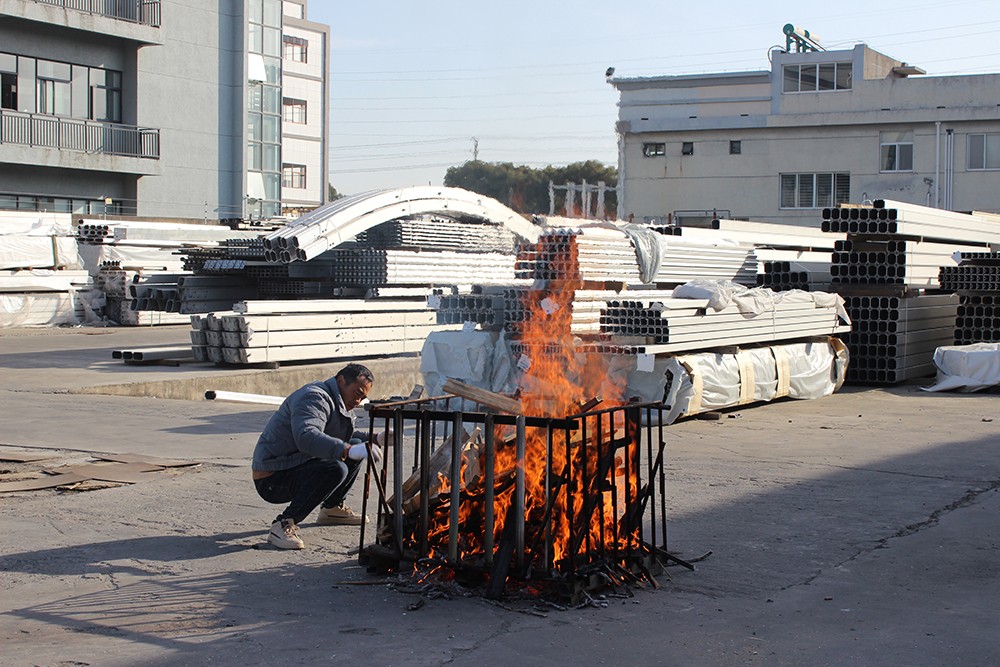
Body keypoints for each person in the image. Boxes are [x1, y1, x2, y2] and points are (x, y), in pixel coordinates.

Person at [251, 363, 385, 550]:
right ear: (341, 381)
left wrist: (376, 438)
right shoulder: (314, 397)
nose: (358, 401)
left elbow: (347, 436)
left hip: (296, 463)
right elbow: (306, 437)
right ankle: (282, 525)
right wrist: (346, 451)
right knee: (336, 468)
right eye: (357, 393)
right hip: (272, 478)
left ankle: (332, 508)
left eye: (363, 397)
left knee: (356, 445)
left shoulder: (338, 400)